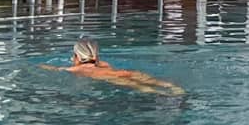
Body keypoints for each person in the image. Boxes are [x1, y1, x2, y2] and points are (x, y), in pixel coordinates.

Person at [53, 39, 183, 96]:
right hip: (125, 72)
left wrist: (47, 67)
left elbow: (59, 70)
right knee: (153, 81)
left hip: (110, 77)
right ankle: (173, 88)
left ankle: (161, 94)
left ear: (76, 56)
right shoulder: (102, 64)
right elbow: (103, 67)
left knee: (138, 87)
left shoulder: (75, 69)